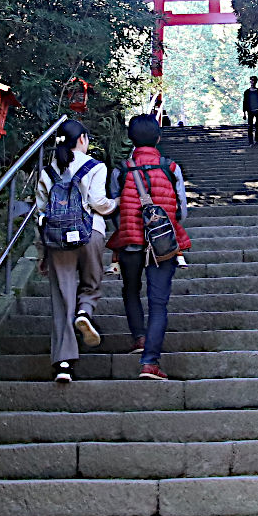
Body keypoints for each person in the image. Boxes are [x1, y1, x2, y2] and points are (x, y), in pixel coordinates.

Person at [110, 114, 190, 380]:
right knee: (158, 304)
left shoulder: (121, 169)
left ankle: (139, 337)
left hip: (130, 242)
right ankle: (150, 363)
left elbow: (114, 208)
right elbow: (182, 211)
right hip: (163, 244)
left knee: (130, 290)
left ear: (130, 139)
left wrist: (127, 230)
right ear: (158, 137)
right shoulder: (171, 167)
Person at [34, 119, 115, 383]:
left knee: (61, 298)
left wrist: (41, 253)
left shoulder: (48, 172)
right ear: (82, 139)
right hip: (90, 234)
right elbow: (97, 202)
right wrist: (116, 204)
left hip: (57, 241)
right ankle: (85, 312)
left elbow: (41, 214)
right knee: (91, 284)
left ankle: (64, 364)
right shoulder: (95, 166)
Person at [242, 76, 258, 143]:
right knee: (250, 126)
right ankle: (250, 141)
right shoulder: (247, 92)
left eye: (254, 80)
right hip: (250, 111)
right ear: (250, 81)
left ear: (256, 81)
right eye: (251, 80)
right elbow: (244, 102)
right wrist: (244, 112)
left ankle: (256, 138)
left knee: (257, 125)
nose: (252, 81)